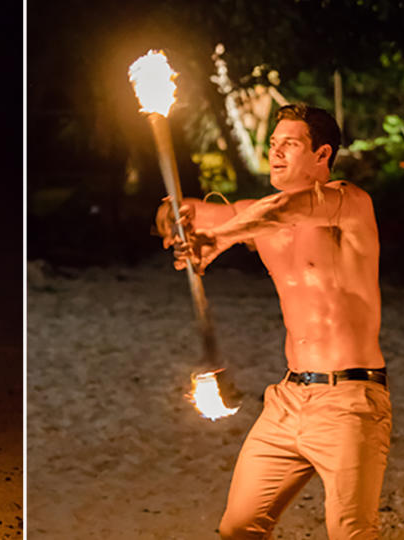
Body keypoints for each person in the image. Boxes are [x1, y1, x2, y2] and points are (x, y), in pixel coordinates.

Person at [156, 104, 391, 539]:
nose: (275, 153)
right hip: (286, 401)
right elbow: (178, 210)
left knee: (353, 533)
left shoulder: (351, 204)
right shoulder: (256, 214)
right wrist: (176, 220)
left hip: (350, 404)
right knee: (238, 529)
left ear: (322, 154)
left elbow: (284, 211)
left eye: (290, 144)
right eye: (272, 144)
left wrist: (219, 238)